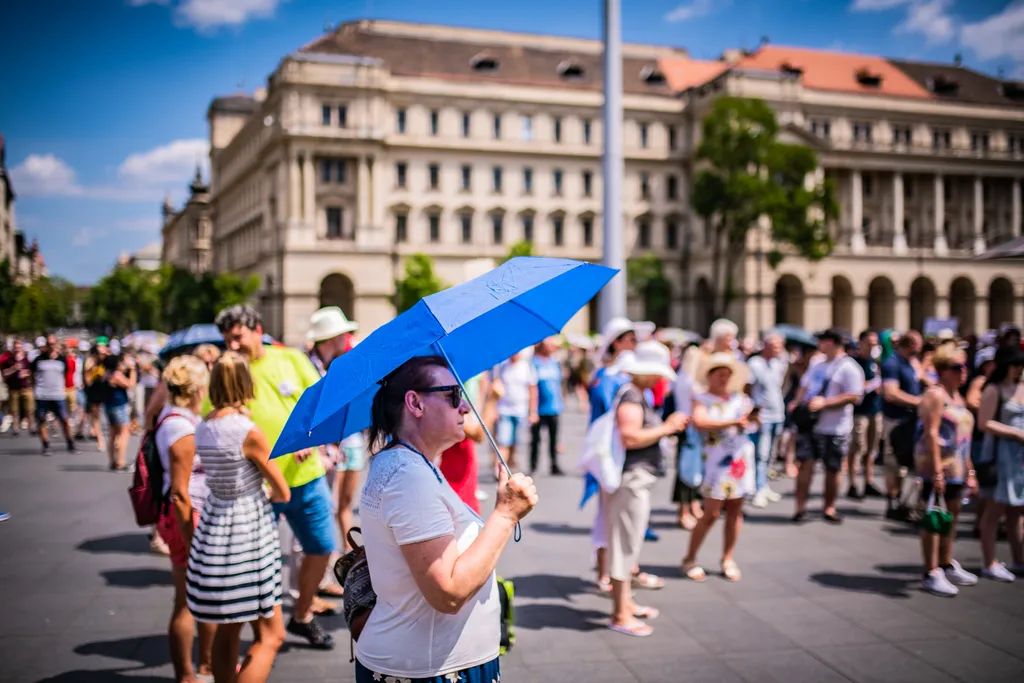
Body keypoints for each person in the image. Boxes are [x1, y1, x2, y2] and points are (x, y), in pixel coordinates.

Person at [354, 356, 537, 681]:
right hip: (429, 669)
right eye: (453, 395)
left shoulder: (412, 464)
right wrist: (506, 514)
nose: (465, 407)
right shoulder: (409, 478)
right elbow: (448, 593)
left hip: (435, 661)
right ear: (415, 403)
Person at [215, 304, 338, 649]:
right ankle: (263, 633)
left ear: (257, 329)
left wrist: (308, 435)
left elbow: (320, 401)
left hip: (305, 476)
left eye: (237, 337)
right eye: (227, 340)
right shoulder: (229, 370)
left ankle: (301, 617)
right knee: (256, 564)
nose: (233, 345)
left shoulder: (290, 360)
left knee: (321, 548)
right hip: (257, 487)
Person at [186, 352, 290, 683]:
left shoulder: (203, 428)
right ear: (247, 384)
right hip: (248, 530)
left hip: (215, 526)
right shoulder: (249, 431)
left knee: (227, 630)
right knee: (271, 635)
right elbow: (282, 491)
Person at [604, 342, 686, 637]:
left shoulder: (636, 393)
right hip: (632, 478)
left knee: (628, 543)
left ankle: (625, 604)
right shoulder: (632, 395)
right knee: (625, 546)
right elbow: (630, 436)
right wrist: (668, 427)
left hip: (636, 478)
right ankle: (620, 613)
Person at [153, 355, 216, 683]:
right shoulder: (181, 427)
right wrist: (192, 538)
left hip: (184, 514)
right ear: (196, 389)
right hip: (187, 517)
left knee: (192, 599)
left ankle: (201, 667)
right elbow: (180, 491)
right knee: (192, 601)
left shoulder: (175, 418)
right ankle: (192, 672)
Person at [683, 352, 756, 582]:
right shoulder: (701, 398)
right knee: (711, 513)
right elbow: (701, 422)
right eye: (720, 375)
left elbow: (752, 424)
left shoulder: (740, 399)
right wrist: (732, 422)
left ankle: (727, 557)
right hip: (715, 463)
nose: (724, 379)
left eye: (727, 375)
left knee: (735, 510)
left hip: (739, 459)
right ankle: (690, 557)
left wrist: (751, 420)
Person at [916, 345, 979, 597]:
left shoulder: (957, 396)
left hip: (958, 464)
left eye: (965, 367)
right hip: (939, 464)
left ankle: (945, 562)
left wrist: (970, 470)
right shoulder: (935, 395)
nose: (963, 372)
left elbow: (965, 438)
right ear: (942, 370)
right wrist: (936, 471)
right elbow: (931, 432)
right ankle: (931, 571)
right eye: (957, 368)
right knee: (934, 517)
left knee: (950, 516)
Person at [588, 317, 640, 592]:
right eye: (629, 338)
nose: (634, 343)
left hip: (628, 453)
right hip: (610, 453)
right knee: (606, 514)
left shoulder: (617, 374)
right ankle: (604, 571)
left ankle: (627, 568)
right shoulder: (604, 377)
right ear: (616, 341)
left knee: (627, 514)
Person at [791, 329, 864, 524]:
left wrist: (826, 403)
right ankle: (800, 508)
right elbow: (804, 385)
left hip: (835, 427)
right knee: (805, 464)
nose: (818, 345)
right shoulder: (817, 363)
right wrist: (798, 403)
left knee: (833, 469)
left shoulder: (849, 367)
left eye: (821, 341)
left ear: (831, 342)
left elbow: (854, 395)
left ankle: (829, 508)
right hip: (811, 425)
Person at [306, 306, 362, 552]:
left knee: (345, 504)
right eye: (343, 334)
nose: (347, 338)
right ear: (332, 337)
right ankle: (325, 570)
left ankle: (347, 557)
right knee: (326, 506)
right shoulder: (310, 368)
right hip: (327, 447)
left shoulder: (339, 364)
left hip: (350, 442)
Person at [976, 351, 1024, 582]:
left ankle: (1019, 558)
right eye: (1014, 364)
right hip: (1000, 456)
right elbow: (984, 423)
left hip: (1019, 458)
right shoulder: (994, 389)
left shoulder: (1020, 387)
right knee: (994, 511)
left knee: (1016, 511)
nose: (1017, 369)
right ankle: (989, 561)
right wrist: (1015, 433)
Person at [881, 331, 924, 520]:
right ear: (912, 345)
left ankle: (903, 501)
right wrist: (917, 401)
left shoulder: (910, 362)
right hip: (895, 420)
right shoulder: (892, 363)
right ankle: (893, 502)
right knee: (894, 463)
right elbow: (891, 393)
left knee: (906, 464)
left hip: (910, 419)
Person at [746, 332, 787, 507]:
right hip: (763, 416)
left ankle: (764, 484)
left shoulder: (779, 364)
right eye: (775, 346)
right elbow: (747, 387)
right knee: (760, 454)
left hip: (777, 413)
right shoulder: (755, 364)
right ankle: (757, 488)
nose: (778, 349)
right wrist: (753, 410)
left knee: (770, 454)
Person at [847, 329, 885, 499]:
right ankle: (852, 483)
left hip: (874, 410)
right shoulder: (853, 363)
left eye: (874, 344)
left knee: (871, 449)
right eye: (869, 344)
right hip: (859, 413)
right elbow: (851, 388)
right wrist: (867, 385)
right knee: (857, 449)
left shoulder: (874, 362)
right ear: (860, 343)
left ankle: (868, 481)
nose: (872, 347)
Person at [29, 334, 76, 455]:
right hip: (42, 394)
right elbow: (31, 375)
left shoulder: (62, 360)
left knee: (64, 420)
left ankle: (70, 443)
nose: (51, 346)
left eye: (53, 344)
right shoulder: (38, 359)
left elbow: (65, 375)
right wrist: (36, 388)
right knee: (42, 419)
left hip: (58, 394)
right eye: (49, 344)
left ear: (56, 345)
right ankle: (45, 445)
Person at [493, 350, 538, 475]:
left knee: (515, 441)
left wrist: (533, 411)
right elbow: (496, 388)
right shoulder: (502, 366)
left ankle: (510, 463)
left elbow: (533, 390)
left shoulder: (527, 367)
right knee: (503, 441)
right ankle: (500, 470)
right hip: (504, 409)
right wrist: (494, 409)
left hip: (521, 410)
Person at [530, 337, 564, 475]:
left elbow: (559, 384)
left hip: (554, 407)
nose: (551, 348)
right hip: (539, 408)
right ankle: (533, 465)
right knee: (535, 439)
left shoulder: (554, 363)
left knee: (553, 439)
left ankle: (554, 464)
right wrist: (532, 409)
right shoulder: (534, 363)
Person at [103, 351, 136, 470]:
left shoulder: (106, 374)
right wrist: (132, 369)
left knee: (113, 434)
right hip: (119, 406)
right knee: (124, 433)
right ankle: (120, 462)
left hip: (109, 406)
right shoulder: (116, 375)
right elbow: (130, 384)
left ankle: (112, 461)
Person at [1, 339, 35, 435]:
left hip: (26, 387)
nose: (17, 350)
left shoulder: (26, 360)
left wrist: (26, 373)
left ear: (22, 348)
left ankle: (32, 427)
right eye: (15, 348)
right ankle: (15, 429)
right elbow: (5, 373)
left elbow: (32, 372)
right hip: (14, 388)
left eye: (19, 348)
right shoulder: (9, 360)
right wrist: (14, 368)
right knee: (14, 411)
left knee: (30, 410)